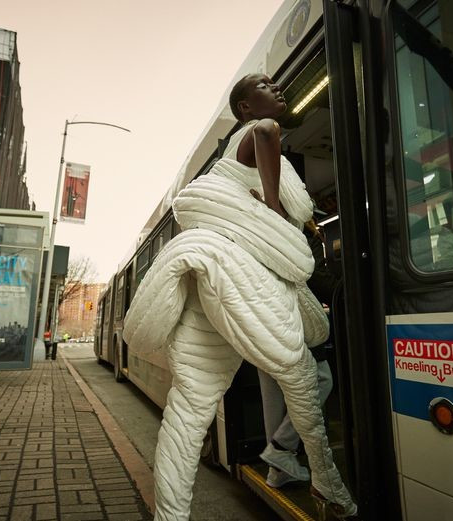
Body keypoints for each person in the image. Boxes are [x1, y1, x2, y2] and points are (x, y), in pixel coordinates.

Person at [123, 73, 357, 520]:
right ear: (246, 107)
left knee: (189, 409)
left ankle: (170, 516)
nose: (279, 89)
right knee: (303, 376)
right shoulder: (254, 132)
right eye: (267, 86)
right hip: (245, 274)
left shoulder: (236, 158)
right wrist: (271, 205)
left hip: (215, 270)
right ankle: (329, 485)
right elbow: (268, 132)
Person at [257, 219, 338, 488]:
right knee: (322, 379)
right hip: (291, 321)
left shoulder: (251, 226)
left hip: (258, 321)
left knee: (274, 397)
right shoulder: (298, 230)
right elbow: (321, 282)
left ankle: (278, 472)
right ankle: (280, 449)